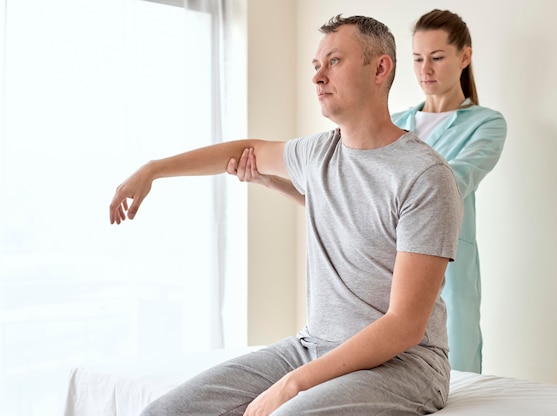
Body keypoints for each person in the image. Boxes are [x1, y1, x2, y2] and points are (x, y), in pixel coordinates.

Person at [110, 14, 463, 416]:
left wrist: (292, 385)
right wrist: (152, 169)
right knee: (168, 411)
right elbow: (245, 149)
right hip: (313, 346)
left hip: (407, 364)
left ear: (380, 68)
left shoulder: (425, 177)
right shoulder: (317, 155)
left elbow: (404, 326)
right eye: (316, 66)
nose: (317, 78)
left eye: (333, 62)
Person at [227, 9, 506, 374]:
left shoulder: (485, 125)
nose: (425, 69)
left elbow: (449, 182)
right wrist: (272, 180)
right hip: (381, 266)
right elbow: (348, 202)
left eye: (437, 58)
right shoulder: (398, 122)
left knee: (460, 366)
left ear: (464, 58)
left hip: (443, 263)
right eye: (418, 59)